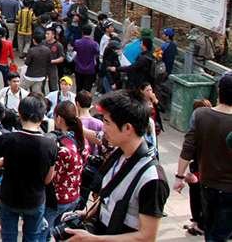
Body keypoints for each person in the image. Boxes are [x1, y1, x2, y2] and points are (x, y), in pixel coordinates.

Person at [64, 90, 170, 241]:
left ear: (127, 128)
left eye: (107, 122)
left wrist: (94, 239)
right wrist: (85, 215)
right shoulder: (117, 154)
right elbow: (108, 198)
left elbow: (147, 237)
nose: (103, 128)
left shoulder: (152, 179)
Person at [0, 94, 58, 242]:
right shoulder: (50, 145)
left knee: (8, 237)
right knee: (32, 237)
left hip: (9, 198)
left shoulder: (7, 139)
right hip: (35, 200)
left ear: (20, 114)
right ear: (42, 117)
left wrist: (4, 161)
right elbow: (48, 179)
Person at [174, 73, 232, 241]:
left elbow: (188, 147)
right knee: (220, 234)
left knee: (211, 230)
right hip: (229, 189)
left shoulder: (201, 115)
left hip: (207, 184)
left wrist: (179, 176)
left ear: (219, 91)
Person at [42, 101, 86, 240]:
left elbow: (50, 176)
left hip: (56, 198)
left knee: (45, 234)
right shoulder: (79, 141)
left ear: (59, 118)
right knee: (60, 234)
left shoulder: (61, 148)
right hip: (73, 196)